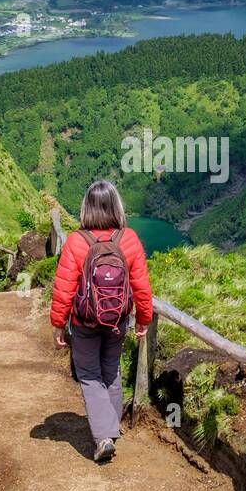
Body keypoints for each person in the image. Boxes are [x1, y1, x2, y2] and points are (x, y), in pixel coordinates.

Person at [49, 180, 153, 463]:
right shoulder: (128, 239)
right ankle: (111, 427)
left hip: (84, 323)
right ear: (116, 205)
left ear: (86, 208)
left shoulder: (76, 241)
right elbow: (141, 286)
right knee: (111, 372)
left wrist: (59, 324)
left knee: (90, 375)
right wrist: (143, 319)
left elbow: (64, 288)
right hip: (118, 320)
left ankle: (104, 436)